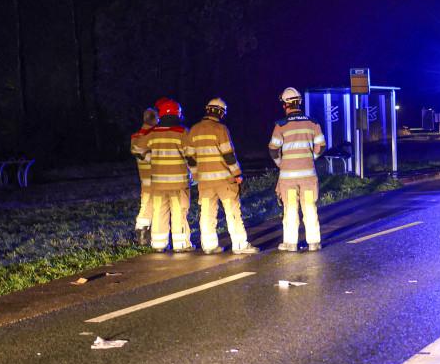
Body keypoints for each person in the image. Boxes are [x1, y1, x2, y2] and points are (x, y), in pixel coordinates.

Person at [187, 98, 257, 255]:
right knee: (232, 212)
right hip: (224, 181)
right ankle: (240, 245)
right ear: (220, 112)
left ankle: (209, 245)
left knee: (206, 213)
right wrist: (237, 174)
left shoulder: (194, 130)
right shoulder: (220, 129)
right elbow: (229, 155)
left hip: (204, 182)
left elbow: (190, 157)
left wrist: (196, 175)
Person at [268, 86, 325, 251]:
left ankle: (291, 243)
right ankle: (314, 242)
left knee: (291, 208)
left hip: (288, 178)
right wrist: (310, 158)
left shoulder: (281, 126)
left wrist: (281, 163)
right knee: (309, 207)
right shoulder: (313, 123)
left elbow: (273, 149)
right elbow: (321, 146)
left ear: (286, 105)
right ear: (299, 103)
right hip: (308, 176)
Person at [138, 97, 193, 252]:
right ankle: (181, 244)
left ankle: (158, 244)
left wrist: (152, 160)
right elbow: (191, 155)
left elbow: (139, 150)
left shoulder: (153, 132)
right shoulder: (182, 132)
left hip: (158, 184)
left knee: (159, 212)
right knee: (179, 212)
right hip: (178, 183)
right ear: (178, 114)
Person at [129, 107, 158, 245]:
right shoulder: (155, 135)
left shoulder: (135, 136)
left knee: (146, 204)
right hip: (158, 176)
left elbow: (137, 151)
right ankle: (149, 235)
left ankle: (142, 234)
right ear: (155, 119)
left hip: (144, 178)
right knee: (158, 207)